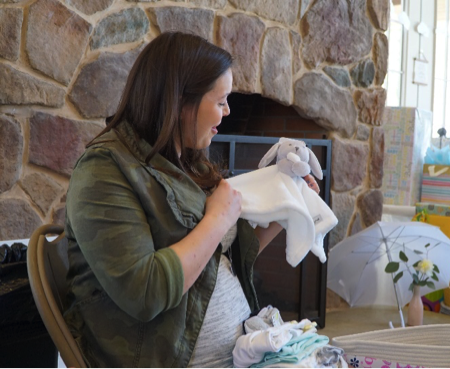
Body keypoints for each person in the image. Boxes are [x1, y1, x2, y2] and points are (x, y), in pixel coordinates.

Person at [64, 31, 319, 368]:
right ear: (180, 103)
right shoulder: (104, 171)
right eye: (220, 101)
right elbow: (145, 292)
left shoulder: (185, 162)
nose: (228, 111)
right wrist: (217, 218)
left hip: (243, 352)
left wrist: (286, 208)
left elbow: (220, 255)